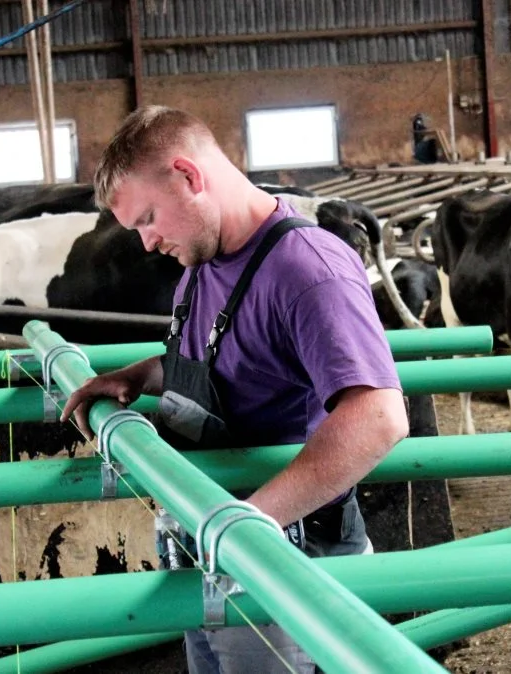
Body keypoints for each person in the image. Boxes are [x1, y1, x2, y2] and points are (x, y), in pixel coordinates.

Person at [59, 105, 410, 674]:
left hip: (285, 563)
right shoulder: (206, 259)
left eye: (149, 217)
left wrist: (246, 525)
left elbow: (379, 417)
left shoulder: (308, 270)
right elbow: (227, 371)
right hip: (216, 549)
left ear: (189, 176)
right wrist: (141, 375)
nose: (147, 243)